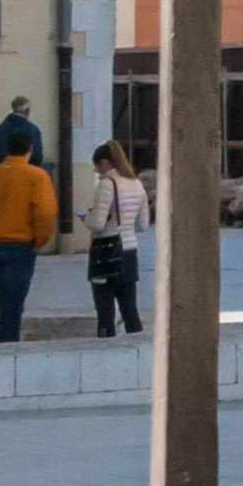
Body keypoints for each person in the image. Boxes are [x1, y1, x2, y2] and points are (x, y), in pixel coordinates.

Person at [0, 110, 61, 344]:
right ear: (29, 150)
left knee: (4, 300)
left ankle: (7, 341)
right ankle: (8, 346)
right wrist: (40, 241)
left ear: (6, 149)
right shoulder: (37, 177)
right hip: (21, 245)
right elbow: (45, 213)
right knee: (15, 302)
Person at [79, 135, 151, 337]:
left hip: (105, 254)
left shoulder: (106, 185)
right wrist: (125, 227)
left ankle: (105, 351)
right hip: (129, 253)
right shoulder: (137, 184)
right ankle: (136, 349)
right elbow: (143, 224)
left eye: (96, 166)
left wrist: (85, 218)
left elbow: (98, 224)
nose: (96, 171)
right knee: (130, 310)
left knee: (105, 312)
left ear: (104, 163)